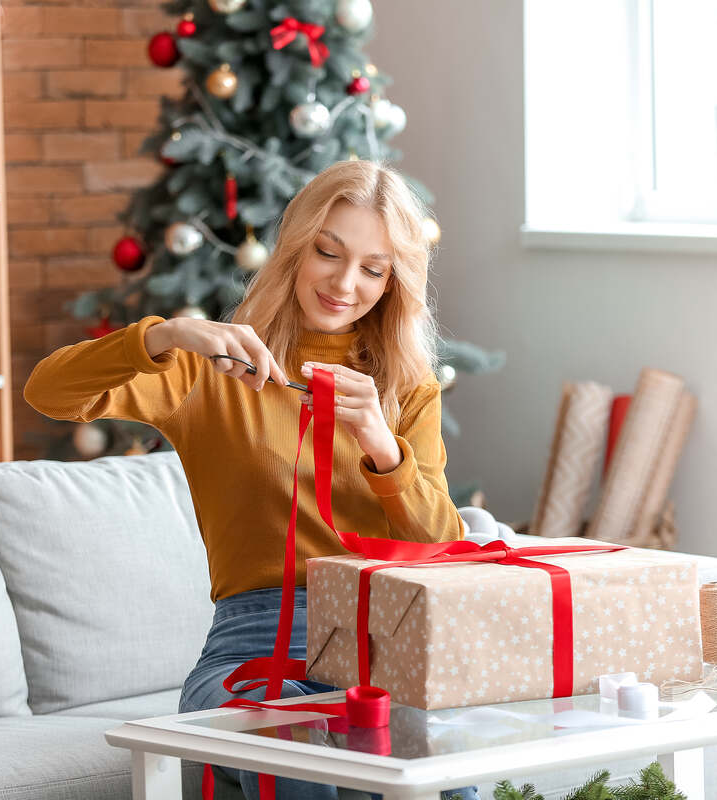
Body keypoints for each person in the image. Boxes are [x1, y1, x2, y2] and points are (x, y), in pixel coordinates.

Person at [24, 159, 477, 800]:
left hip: (382, 651)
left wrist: (381, 444)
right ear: (296, 246)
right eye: (329, 252)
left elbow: (441, 542)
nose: (346, 283)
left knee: (453, 763)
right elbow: (49, 390)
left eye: (374, 269)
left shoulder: (407, 390)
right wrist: (166, 335)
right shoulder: (212, 368)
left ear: (394, 280)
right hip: (253, 644)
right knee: (288, 747)